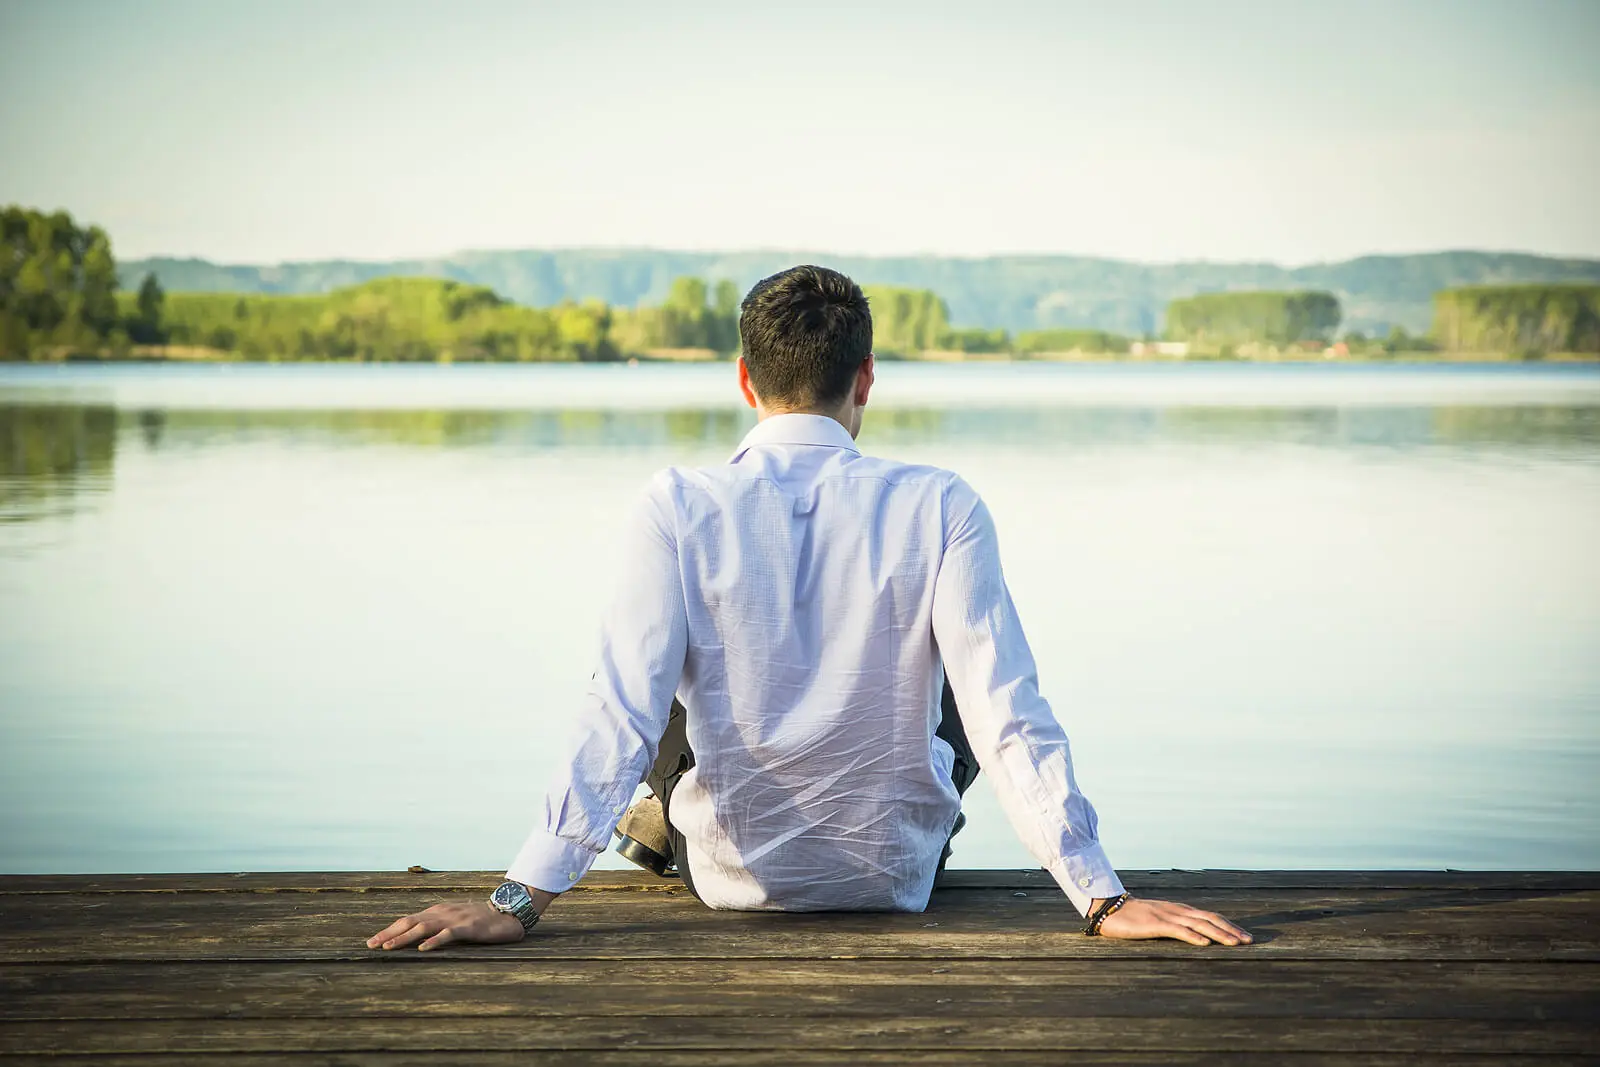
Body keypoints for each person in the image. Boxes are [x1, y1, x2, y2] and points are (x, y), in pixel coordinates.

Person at [367, 266, 1251, 952]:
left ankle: (662, 816)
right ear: (865, 378)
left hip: (727, 875)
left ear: (745, 381)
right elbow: (1006, 713)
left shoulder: (677, 504)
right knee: (954, 681)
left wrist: (517, 899)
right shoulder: (942, 504)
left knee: (661, 679)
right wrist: (1103, 896)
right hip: (894, 875)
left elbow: (617, 712)